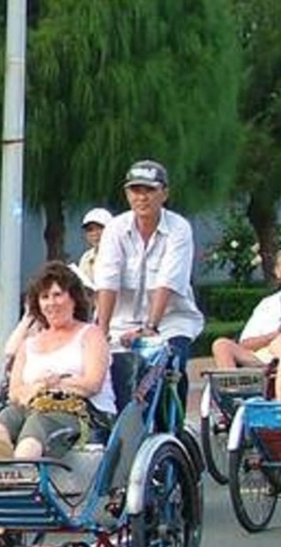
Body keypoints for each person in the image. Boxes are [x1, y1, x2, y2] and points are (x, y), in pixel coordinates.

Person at [0, 262, 115, 460]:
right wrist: (41, 386)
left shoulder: (91, 334)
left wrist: (52, 384)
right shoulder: (29, 344)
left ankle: (19, 467)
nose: (51, 303)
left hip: (82, 413)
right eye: (44, 297)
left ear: (73, 298)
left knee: (37, 422)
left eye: (57, 295)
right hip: (32, 404)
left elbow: (92, 383)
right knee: (6, 417)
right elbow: (15, 393)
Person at [94, 160, 204, 409]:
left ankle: (172, 428)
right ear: (127, 194)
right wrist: (102, 330)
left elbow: (167, 281)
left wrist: (150, 327)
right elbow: (107, 281)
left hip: (170, 320)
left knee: (169, 365)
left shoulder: (179, 228)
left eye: (149, 190)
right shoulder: (115, 228)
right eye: (135, 190)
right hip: (121, 322)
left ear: (164, 193)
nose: (142, 198)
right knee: (101, 370)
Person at [212, 247, 281, 398]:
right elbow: (245, 343)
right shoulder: (268, 304)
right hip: (262, 359)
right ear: (278, 272)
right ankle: (234, 398)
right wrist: (273, 336)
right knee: (221, 345)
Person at [74, 207, 113, 289]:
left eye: (100, 228)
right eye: (90, 230)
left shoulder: (122, 254)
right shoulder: (86, 258)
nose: (95, 234)